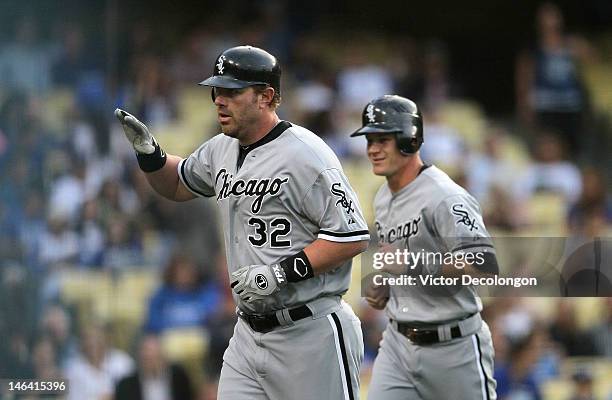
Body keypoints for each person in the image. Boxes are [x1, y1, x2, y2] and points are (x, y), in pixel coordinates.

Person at [115, 45, 369, 399]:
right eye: (217, 91)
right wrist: (151, 155)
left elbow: (352, 236)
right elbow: (176, 183)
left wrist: (281, 272)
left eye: (232, 92)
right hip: (248, 333)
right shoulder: (221, 148)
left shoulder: (306, 154)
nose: (219, 100)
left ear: (266, 97)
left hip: (308, 331)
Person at [351, 95, 499, 399]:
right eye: (369, 140)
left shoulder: (444, 196)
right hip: (397, 342)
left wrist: (411, 265)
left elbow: (484, 266)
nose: (372, 150)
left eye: (383, 140)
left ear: (408, 139)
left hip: (452, 346)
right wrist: (386, 284)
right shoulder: (382, 197)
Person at [115, 335, 194, 400]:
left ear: (164, 357)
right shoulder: (126, 385)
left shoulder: (179, 378)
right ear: (139, 359)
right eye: (147, 359)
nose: (152, 364)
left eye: (156, 357)